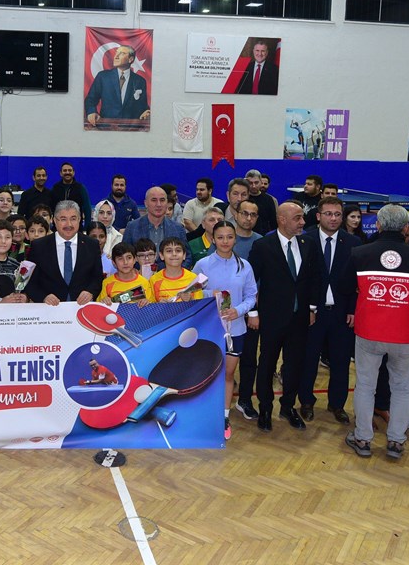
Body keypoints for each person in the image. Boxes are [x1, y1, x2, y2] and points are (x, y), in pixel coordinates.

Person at [341, 204, 409, 460]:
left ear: (379, 225)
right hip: (406, 334)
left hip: (369, 331)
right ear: (407, 227)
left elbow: (344, 287)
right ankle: (396, 441)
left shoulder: (360, 253)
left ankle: (362, 438)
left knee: (365, 385)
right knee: (402, 388)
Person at [247, 201, 323, 432]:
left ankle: (288, 407)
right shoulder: (263, 246)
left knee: (295, 365)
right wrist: (253, 312)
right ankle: (265, 408)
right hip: (271, 318)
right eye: (297, 218)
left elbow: (315, 279)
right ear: (281, 219)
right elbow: (251, 282)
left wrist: (311, 309)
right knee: (267, 364)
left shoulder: (308, 243)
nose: (303, 222)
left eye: (302, 218)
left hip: (300, 318)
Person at [194, 221, 259, 440]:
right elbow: (192, 293)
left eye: (229, 237)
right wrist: (210, 294)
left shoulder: (244, 266)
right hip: (209, 328)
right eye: (220, 237)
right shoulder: (202, 265)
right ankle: (204, 415)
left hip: (236, 329)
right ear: (213, 239)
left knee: (228, 374)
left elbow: (251, 296)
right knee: (206, 374)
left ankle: (223, 417)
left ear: (235, 239)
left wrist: (238, 311)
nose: (225, 241)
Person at [299, 197, 360, 424]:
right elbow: (301, 280)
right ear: (318, 216)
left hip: (342, 313)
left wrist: (353, 309)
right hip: (313, 313)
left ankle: (337, 404)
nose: (333, 218)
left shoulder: (353, 243)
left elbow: (357, 282)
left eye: (337, 214)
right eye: (328, 214)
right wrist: (307, 308)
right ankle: (306, 401)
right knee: (308, 359)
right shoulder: (305, 240)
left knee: (341, 361)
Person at [25, 200, 104, 305]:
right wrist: (43, 297)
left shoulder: (92, 245)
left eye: (73, 219)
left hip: (82, 307)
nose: (69, 224)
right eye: (63, 219)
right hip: (49, 309)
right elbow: (29, 281)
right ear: (54, 220)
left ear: (80, 219)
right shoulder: (39, 246)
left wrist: (90, 292)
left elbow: (97, 278)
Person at [84, 44, 150, 126]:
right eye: (116, 53)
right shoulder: (103, 77)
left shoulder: (140, 81)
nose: (116, 56)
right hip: (106, 127)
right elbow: (90, 100)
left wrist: (147, 112)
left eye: (121, 53)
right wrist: (91, 112)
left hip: (131, 128)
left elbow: (143, 106)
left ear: (130, 59)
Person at [123, 186, 180, 256]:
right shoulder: (132, 227)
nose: (158, 204)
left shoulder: (178, 228)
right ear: (145, 203)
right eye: (154, 200)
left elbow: (187, 256)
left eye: (162, 200)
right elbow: (125, 255)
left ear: (166, 202)